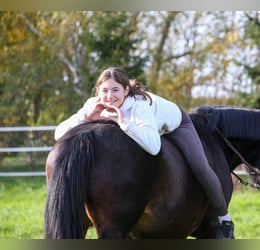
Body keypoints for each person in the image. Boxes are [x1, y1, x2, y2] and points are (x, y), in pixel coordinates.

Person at [54, 66, 234, 239]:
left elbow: (153, 145)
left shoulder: (139, 106)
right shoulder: (93, 104)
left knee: (200, 165)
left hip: (176, 123)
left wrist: (126, 123)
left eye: (115, 90)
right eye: (105, 91)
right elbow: (59, 133)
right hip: (145, 125)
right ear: (97, 92)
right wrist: (85, 117)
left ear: (126, 90)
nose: (109, 96)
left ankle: (224, 219)